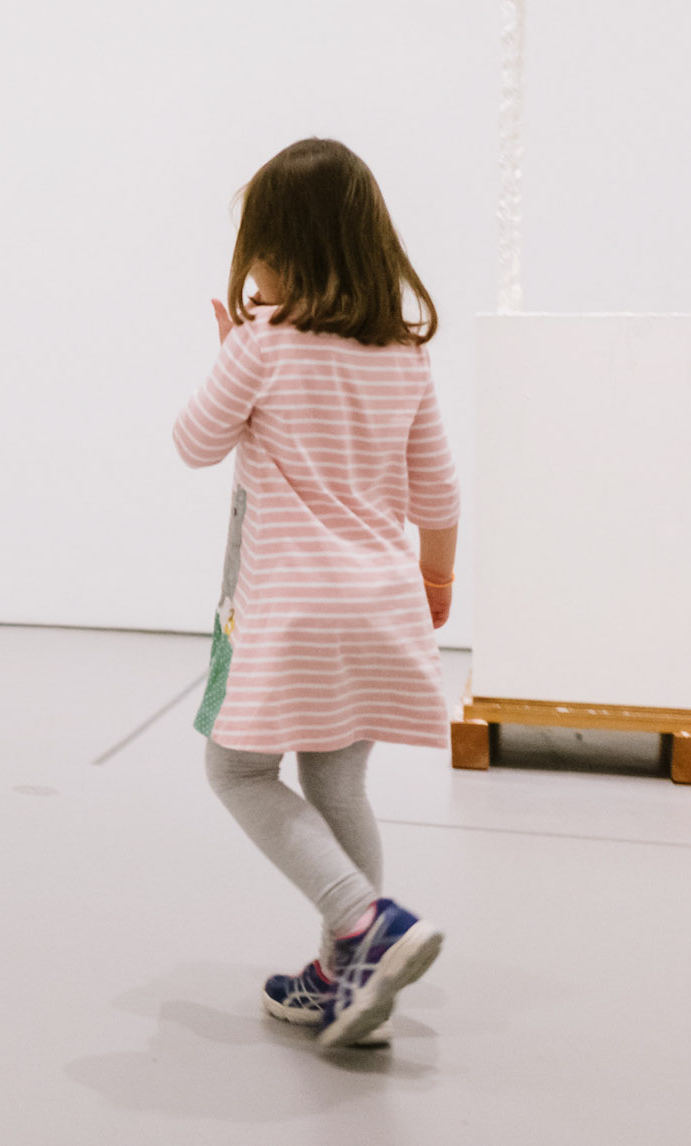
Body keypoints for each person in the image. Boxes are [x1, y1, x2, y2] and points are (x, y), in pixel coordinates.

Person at [174, 137, 459, 1052]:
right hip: (382, 602)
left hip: (291, 606)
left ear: (277, 248)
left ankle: (360, 922)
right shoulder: (403, 353)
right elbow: (439, 495)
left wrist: (229, 358)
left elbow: (193, 442)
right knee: (338, 780)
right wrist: (438, 578)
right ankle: (349, 983)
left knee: (238, 771)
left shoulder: (262, 346)